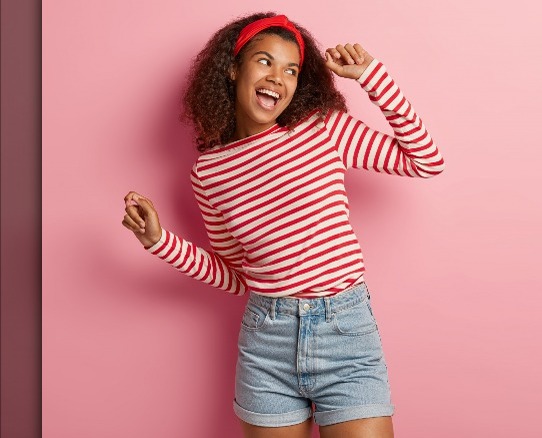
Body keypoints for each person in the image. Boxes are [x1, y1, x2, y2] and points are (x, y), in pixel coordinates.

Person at [121, 12, 444, 438]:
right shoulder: (209, 173)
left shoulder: (322, 129)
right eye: (265, 61)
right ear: (234, 68)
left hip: (346, 332)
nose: (278, 77)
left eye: (291, 69)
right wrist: (159, 241)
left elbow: (426, 160)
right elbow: (237, 277)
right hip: (266, 343)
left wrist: (371, 75)